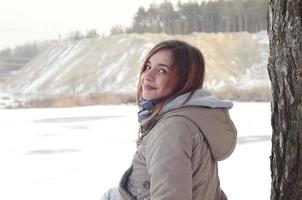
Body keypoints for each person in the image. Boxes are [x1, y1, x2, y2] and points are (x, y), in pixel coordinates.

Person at [101, 40, 237, 200]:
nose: (147, 76)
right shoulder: (194, 118)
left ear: (185, 80)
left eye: (162, 71)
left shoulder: (172, 130)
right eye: (148, 67)